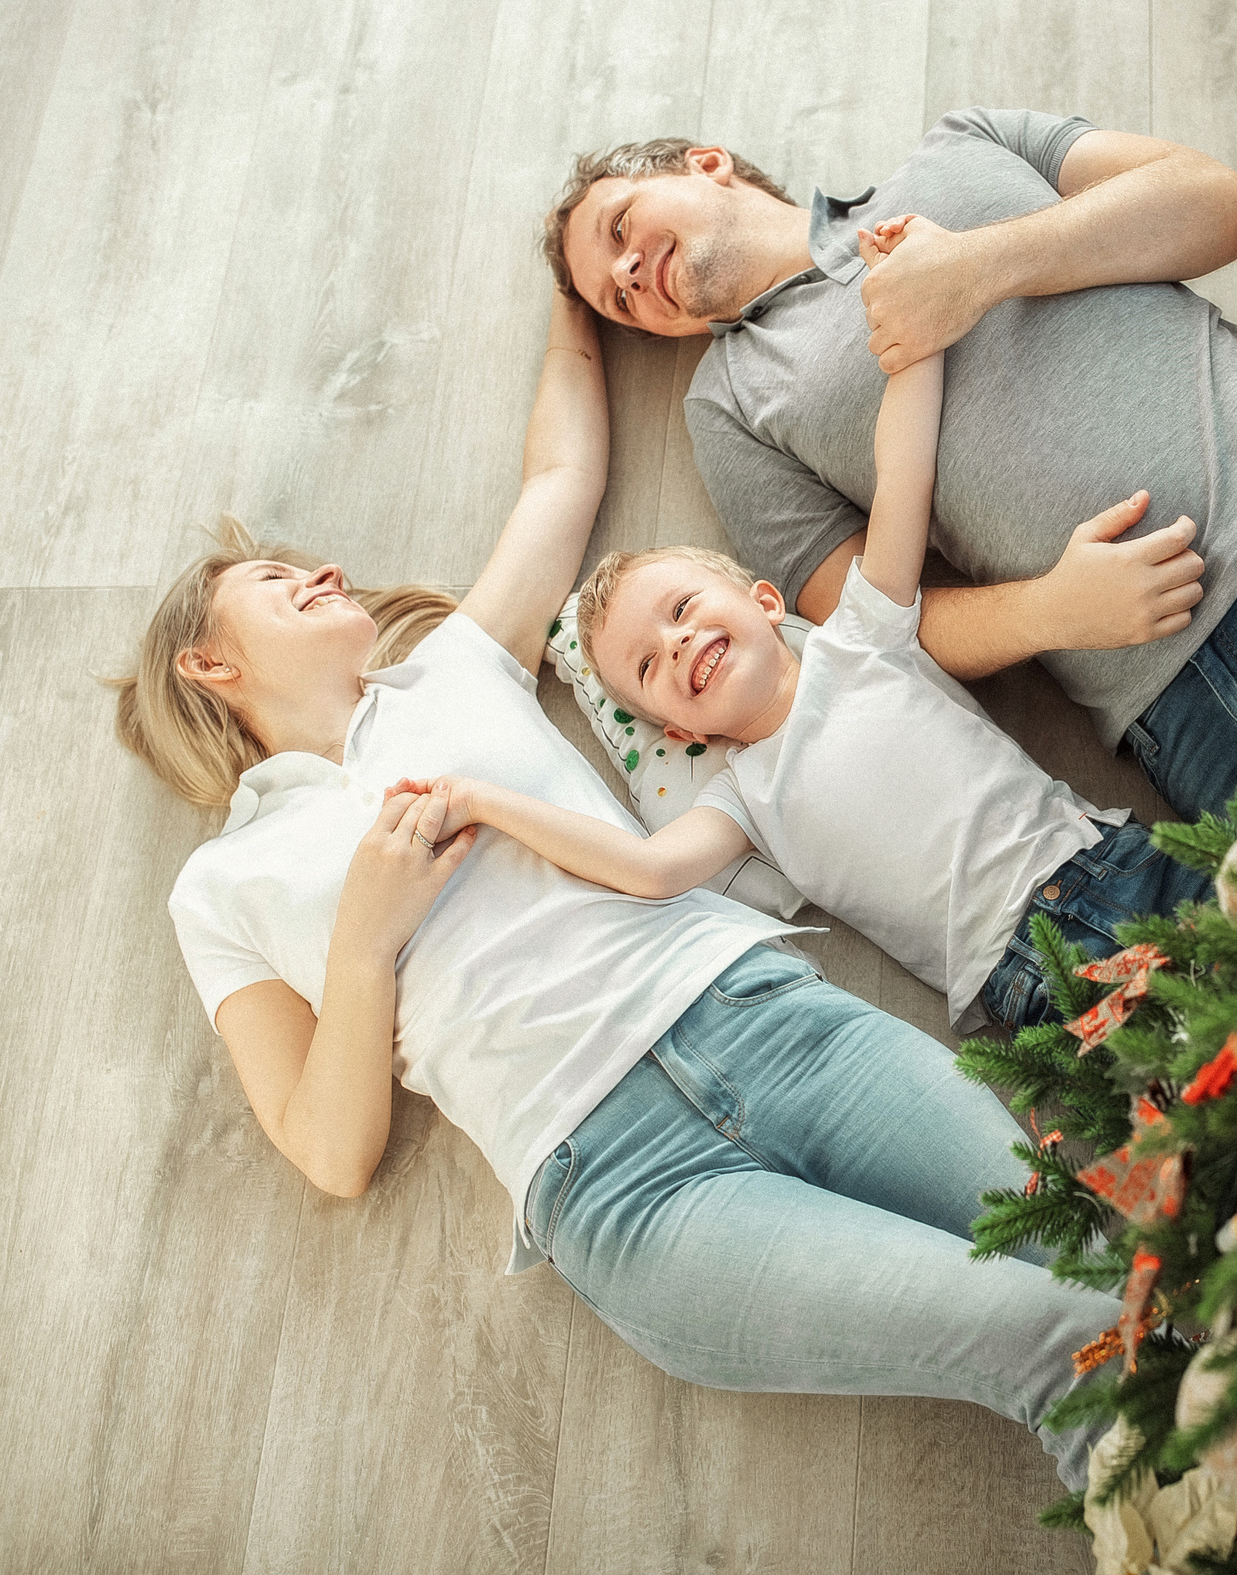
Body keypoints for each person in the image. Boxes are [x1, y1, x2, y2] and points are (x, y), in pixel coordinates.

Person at [111, 293, 1117, 1489]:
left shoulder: (459, 671)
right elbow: (331, 1153)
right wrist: (364, 945)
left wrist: (567, 292)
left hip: (769, 1028)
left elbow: (561, 474)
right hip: (624, 1185)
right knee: (1051, 1336)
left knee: (1103, 1252)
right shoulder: (221, 888)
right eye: (277, 580)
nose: (325, 571)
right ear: (207, 662)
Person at [539, 109, 1237, 821]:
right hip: (1198, 682)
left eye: (621, 227)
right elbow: (871, 626)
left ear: (706, 163)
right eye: (612, 298)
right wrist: (1051, 610)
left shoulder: (965, 142)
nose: (625, 274)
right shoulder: (731, 406)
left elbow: (1224, 202)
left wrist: (981, 267)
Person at [404, 217, 1204, 1032]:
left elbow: (902, 474)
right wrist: (481, 798)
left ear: (763, 601)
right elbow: (645, 870)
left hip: (1101, 856)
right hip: (1032, 970)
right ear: (677, 727)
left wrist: (913, 328)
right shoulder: (744, 797)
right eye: (647, 666)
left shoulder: (862, 634)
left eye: (681, 610)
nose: (676, 644)